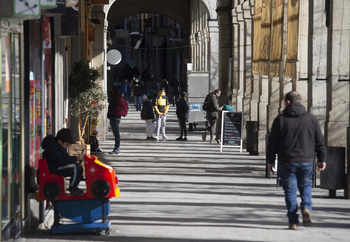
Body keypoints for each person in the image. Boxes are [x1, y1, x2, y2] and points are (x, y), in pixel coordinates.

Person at [266, 90, 327, 230]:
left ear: (287, 102)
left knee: (290, 191)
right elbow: (319, 140)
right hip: (306, 160)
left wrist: (271, 160)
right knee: (306, 186)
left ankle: (293, 221)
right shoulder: (311, 119)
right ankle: (306, 208)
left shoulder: (280, 119)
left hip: (286, 161)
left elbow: (273, 143)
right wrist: (321, 158)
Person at [41, 128, 85, 196]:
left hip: (57, 167)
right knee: (75, 167)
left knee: (78, 166)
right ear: (60, 141)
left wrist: (75, 159)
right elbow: (60, 160)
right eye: (66, 145)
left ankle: (75, 185)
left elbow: (64, 158)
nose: (66, 147)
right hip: (53, 169)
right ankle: (73, 187)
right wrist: (76, 158)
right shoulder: (52, 148)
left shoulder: (58, 147)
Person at [107, 86, 123, 155]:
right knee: (116, 134)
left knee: (116, 134)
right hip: (117, 117)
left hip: (114, 117)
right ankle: (117, 148)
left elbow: (112, 108)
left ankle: (117, 148)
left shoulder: (114, 98)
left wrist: (109, 115)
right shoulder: (117, 97)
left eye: (111, 90)